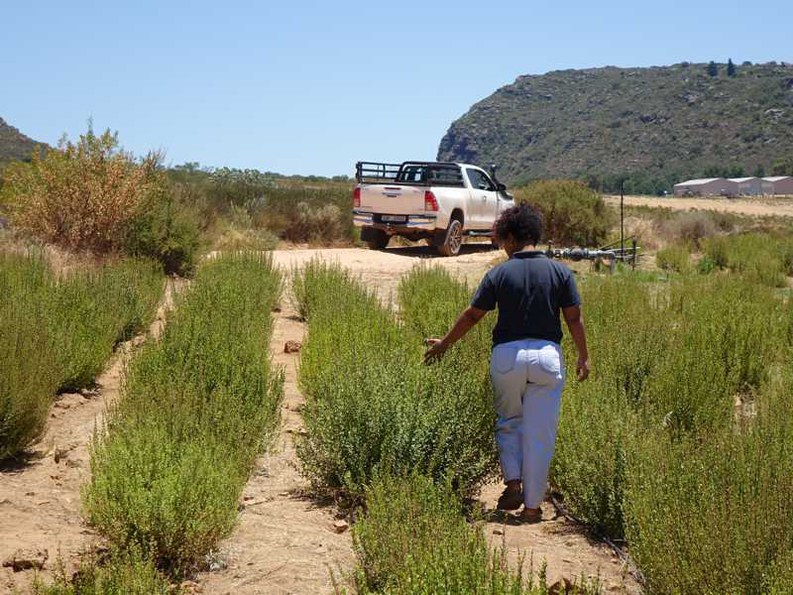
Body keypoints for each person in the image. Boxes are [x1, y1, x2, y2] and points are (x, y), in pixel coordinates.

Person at [424, 203, 589, 523]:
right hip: (546, 357)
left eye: (502, 240)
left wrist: (445, 343)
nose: (502, 246)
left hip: (507, 357)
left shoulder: (499, 272)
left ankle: (513, 482)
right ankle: (531, 508)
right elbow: (574, 318)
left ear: (512, 237)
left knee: (509, 421)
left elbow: (473, 315)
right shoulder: (560, 271)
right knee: (540, 433)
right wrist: (584, 356)